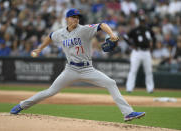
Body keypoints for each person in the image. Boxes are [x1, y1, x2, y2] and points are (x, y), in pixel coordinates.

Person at [10, 8, 145, 122]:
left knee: (110, 82)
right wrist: (40, 48)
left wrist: (112, 34)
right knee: (50, 92)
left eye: (77, 17)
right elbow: (50, 36)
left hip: (87, 69)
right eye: (73, 17)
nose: (76, 19)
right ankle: (22, 105)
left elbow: (102, 25)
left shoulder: (84, 30)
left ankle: (127, 113)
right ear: (67, 19)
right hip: (70, 69)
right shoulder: (60, 33)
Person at [124, 15, 156, 93]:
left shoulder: (148, 30)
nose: (142, 23)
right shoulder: (135, 30)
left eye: (143, 21)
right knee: (133, 70)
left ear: (145, 22)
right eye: (141, 21)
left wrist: (152, 47)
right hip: (137, 52)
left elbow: (154, 38)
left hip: (146, 52)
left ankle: (150, 89)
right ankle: (129, 88)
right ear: (139, 22)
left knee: (148, 71)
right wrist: (131, 45)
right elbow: (125, 37)